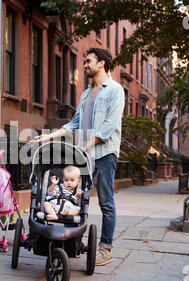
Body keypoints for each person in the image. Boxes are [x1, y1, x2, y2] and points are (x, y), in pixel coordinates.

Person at [32, 48, 125, 266]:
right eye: (84, 61)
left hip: (103, 154)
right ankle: (69, 240)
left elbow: (109, 126)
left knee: (106, 202)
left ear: (101, 63)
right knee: (73, 196)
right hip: (85, 155)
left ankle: (105, 248)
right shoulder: (85, 94)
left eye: (88, 61)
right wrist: (47, 138)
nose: (84, 65)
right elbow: (73, 124)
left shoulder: (115, 90)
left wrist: (88, 144)